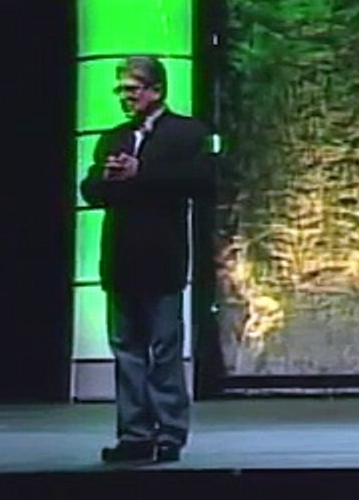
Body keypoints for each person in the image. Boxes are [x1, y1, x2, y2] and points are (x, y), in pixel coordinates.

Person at [80, 56, 212, 464]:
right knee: (127, 350)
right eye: (120, 89)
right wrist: (108, 178)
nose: (124, 97)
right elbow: (91, 189)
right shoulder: (114, 137)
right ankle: (134, 433)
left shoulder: (187, 133)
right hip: (120, 258)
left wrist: (140, 173)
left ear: (156, 90)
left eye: (131, 89)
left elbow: (201, 182)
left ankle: (169, 432)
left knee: (163, 349)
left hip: (162, 257)